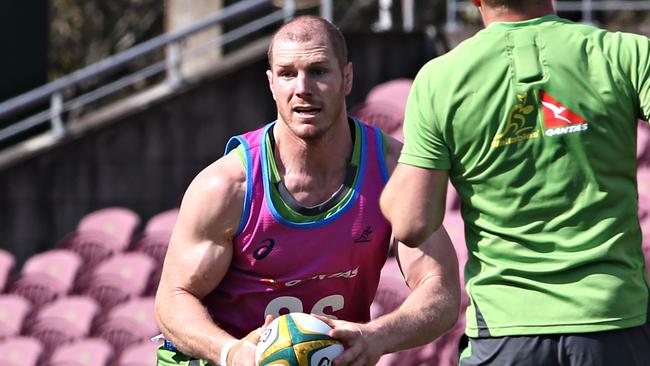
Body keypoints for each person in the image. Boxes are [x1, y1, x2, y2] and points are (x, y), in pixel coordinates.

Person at [154, 15, 460, 366]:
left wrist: (377, 336)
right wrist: (233, 352)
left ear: (347, 78)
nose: (303, 87)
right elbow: (173, 299)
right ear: (271, 84)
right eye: (287, 74)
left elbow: (441, 290)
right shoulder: (226, 186)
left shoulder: (393, 170)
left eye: (318, 71)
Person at [380, 0, 650, 365]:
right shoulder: (626, 53)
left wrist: (390, 195)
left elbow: (412, 224)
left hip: (507, 328)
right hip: (614, 318)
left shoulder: (440, 78)